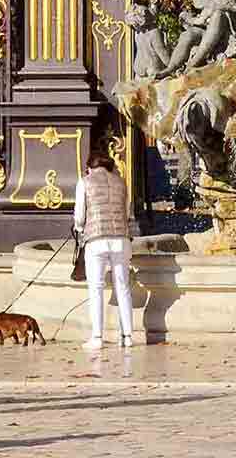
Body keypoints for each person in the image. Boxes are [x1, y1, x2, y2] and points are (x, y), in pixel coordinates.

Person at [74, 147, 135, 351]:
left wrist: (80, 229)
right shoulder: (121, 182)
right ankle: (127, 337)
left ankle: (97, 337)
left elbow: (79, 217)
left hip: (97, 239)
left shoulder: (85, 181)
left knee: (96, 288)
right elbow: (127, 213)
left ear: (91, 166)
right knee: (123, 287)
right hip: (121, 240)